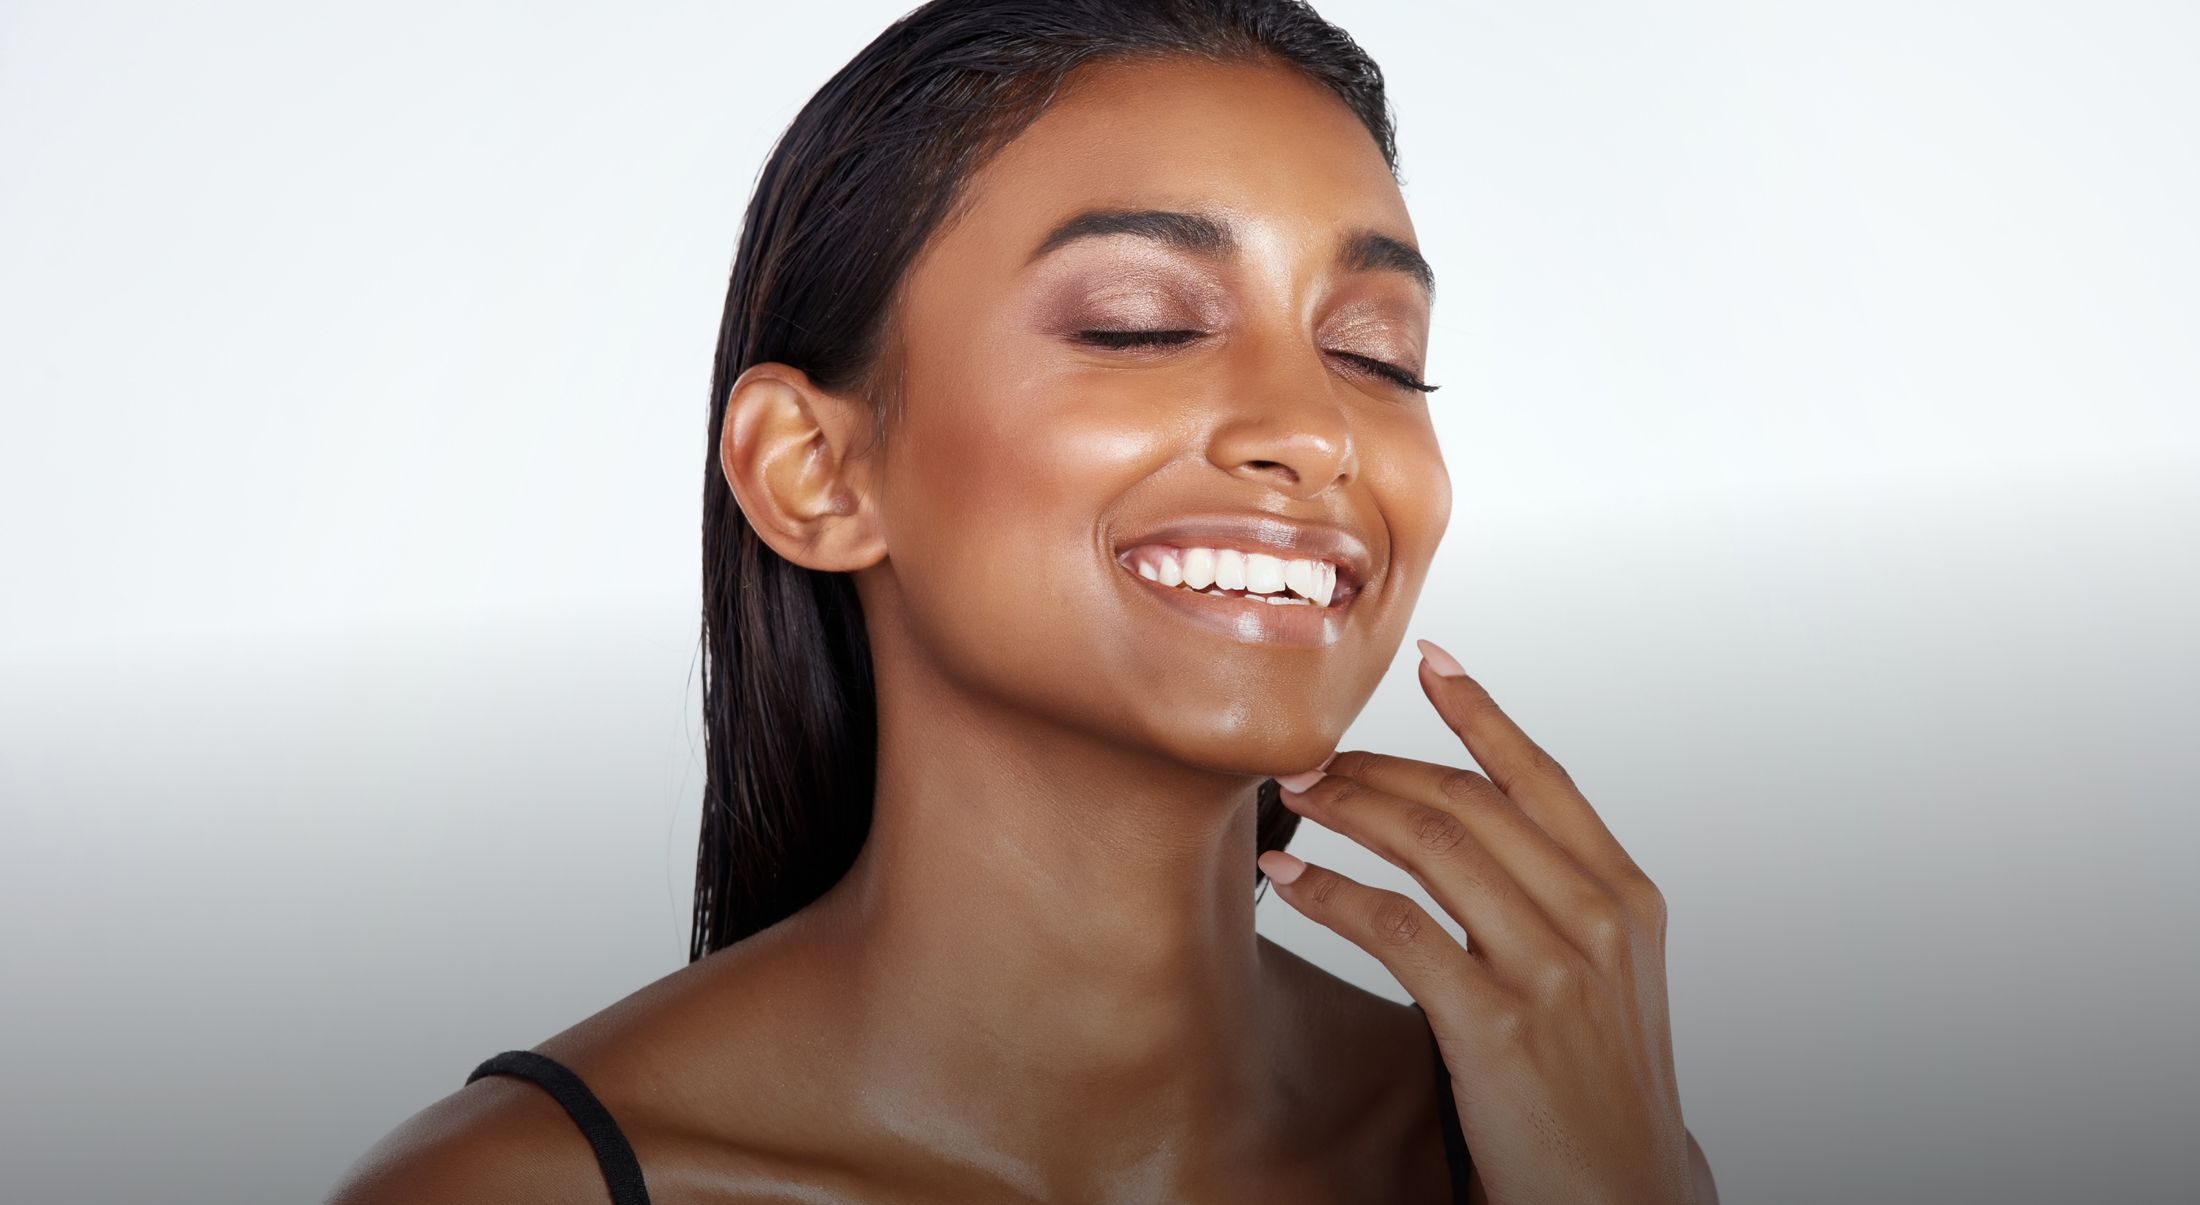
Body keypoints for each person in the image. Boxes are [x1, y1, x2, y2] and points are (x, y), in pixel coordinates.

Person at [330, 1, 1717, 1200]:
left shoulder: (1537, 1142)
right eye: (1140, 325)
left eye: (1376, 354)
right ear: (814, 471)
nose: (1315, 431)